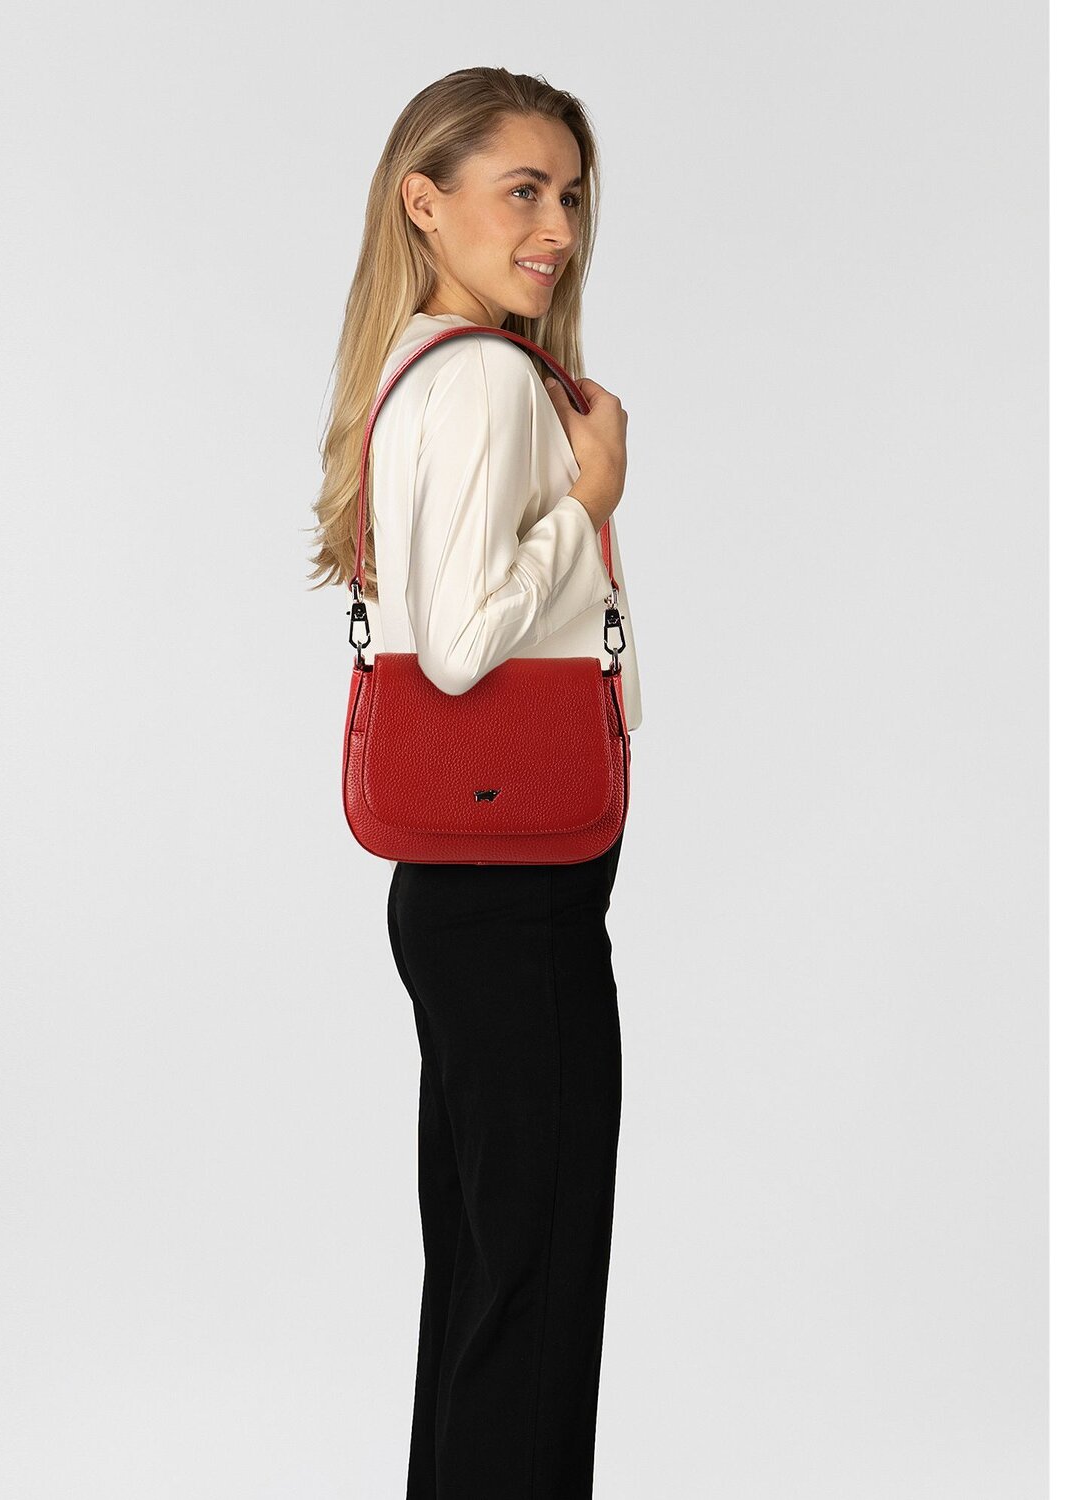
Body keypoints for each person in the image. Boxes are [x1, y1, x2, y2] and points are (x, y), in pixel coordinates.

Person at [305, 67, 643, 1499]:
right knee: (534, 1293)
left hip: (460, 895)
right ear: (424, 203)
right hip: (522, 897)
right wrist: (587, 505)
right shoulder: (493, 379)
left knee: (487, 1287)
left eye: (569, 195)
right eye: (522, 190)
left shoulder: (417, 367)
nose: (556, 226)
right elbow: (459, 644)